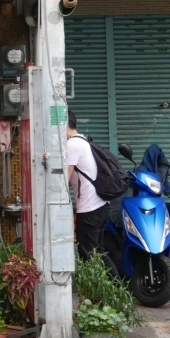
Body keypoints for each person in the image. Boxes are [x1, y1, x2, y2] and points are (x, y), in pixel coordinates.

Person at [66, 110, 110, 258]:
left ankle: (116, 282)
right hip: (101, 205)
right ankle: (115, 282)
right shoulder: (83, 141)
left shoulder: (72, 144)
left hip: (90, 209)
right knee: (98, 254)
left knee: (89, 254)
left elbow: (65, 179)